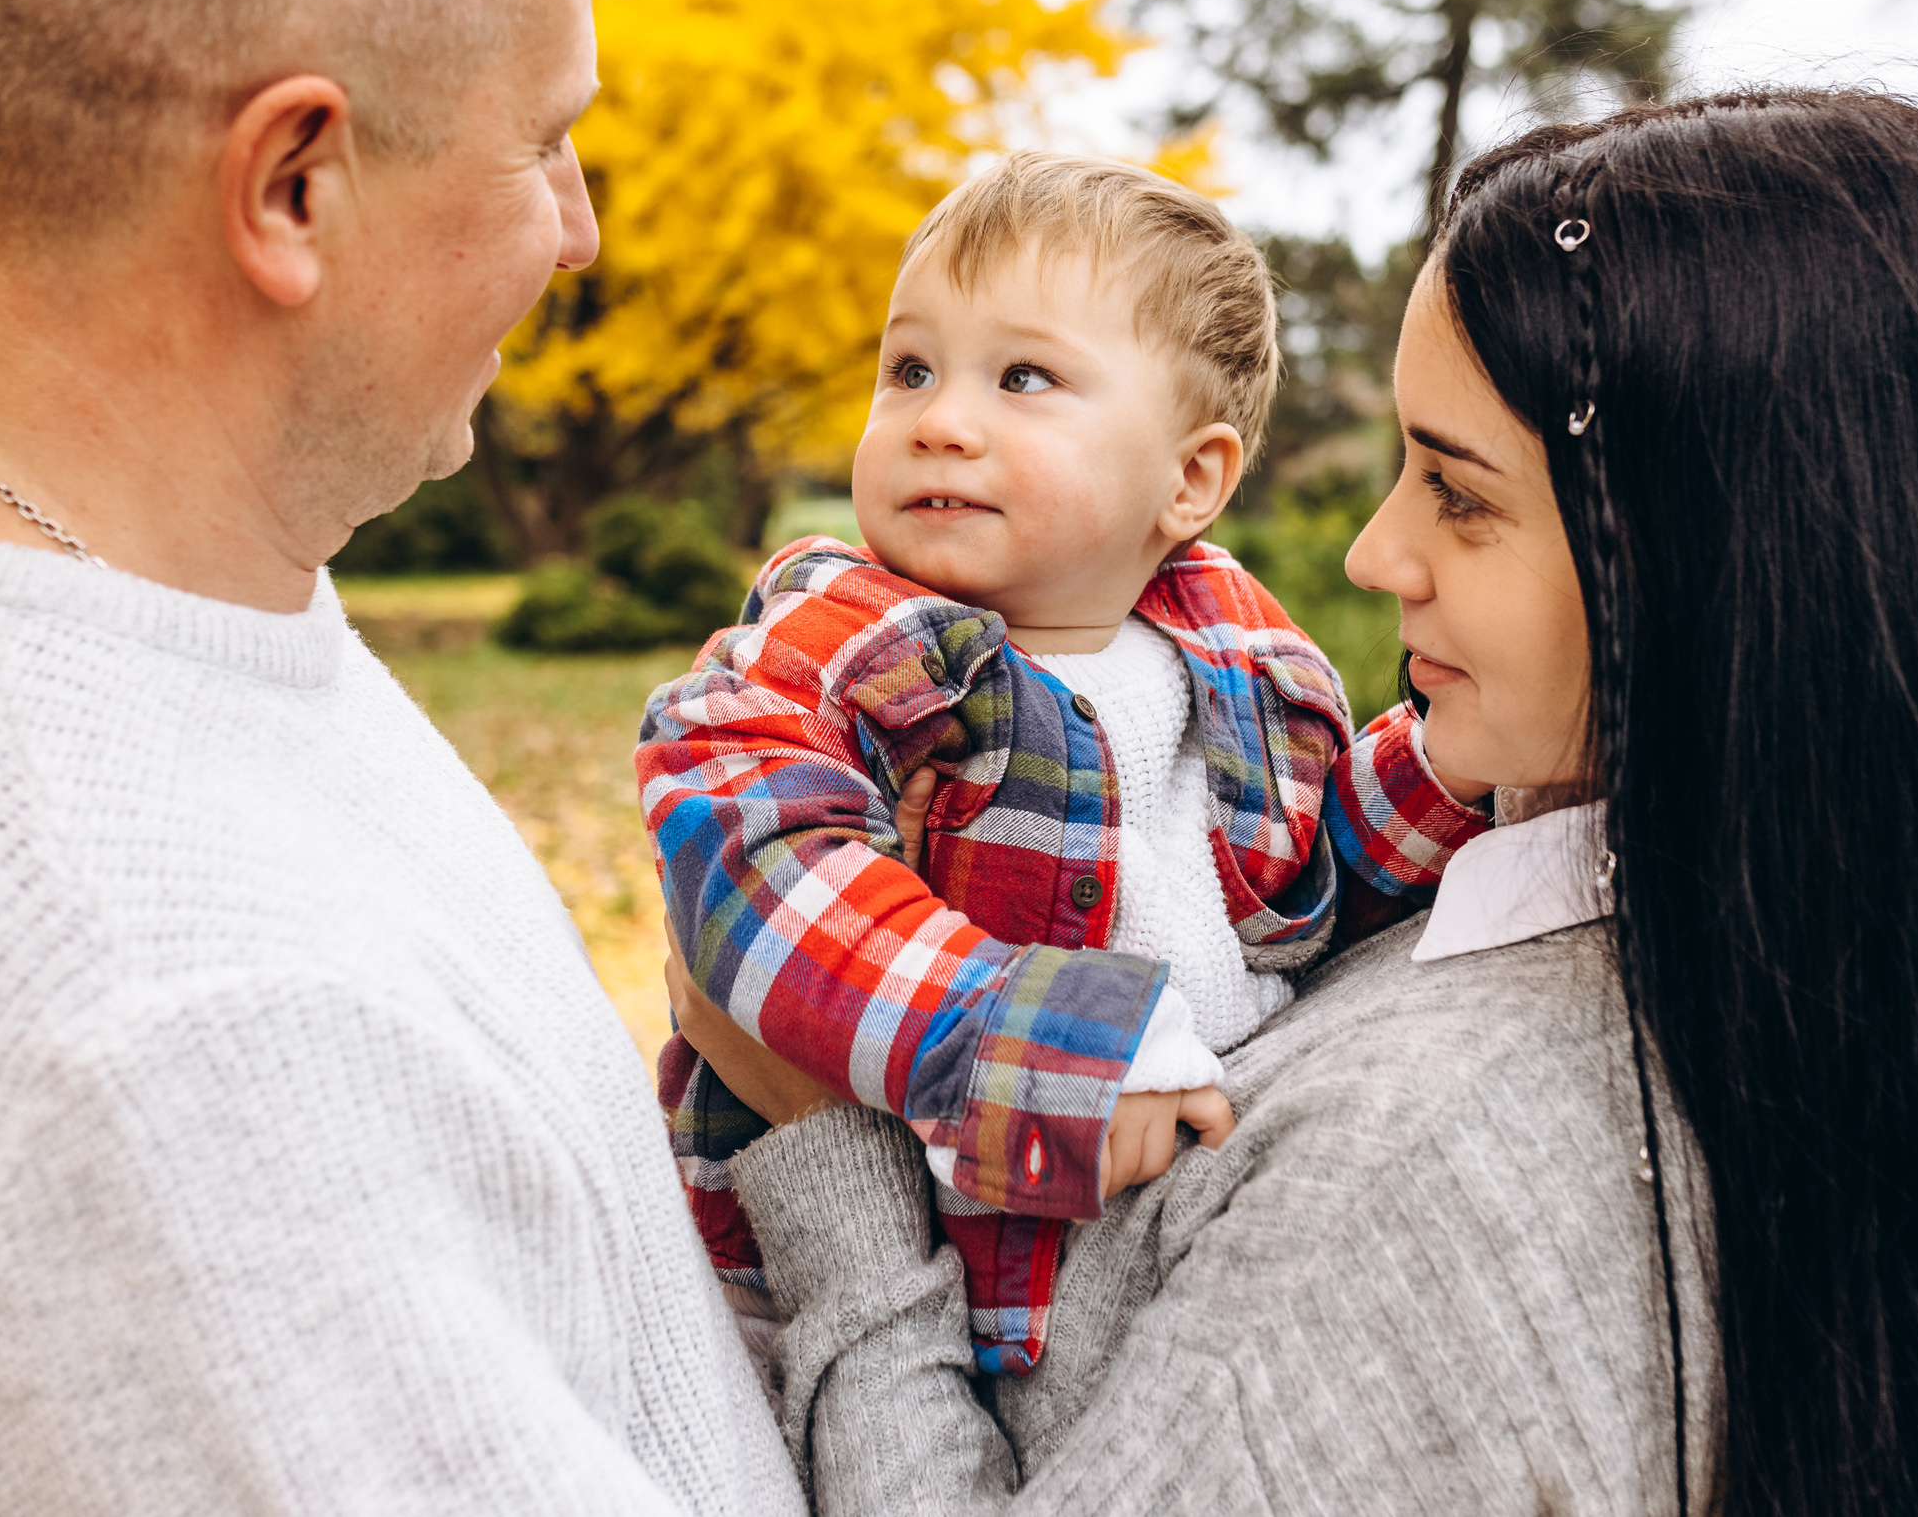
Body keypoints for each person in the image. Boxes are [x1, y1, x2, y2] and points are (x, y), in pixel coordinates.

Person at [670, 89, 1918, 1514]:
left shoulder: (1409, 1182)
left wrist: (821, 1155)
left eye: (1457, 491)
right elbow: (1313, 859)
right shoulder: (1842, 1005)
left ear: (1721, 566)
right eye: (914, 368)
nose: (1367, 553)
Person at [0, 0, 801, 1512]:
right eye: (546, 141)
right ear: (295, 185)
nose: (578, 228)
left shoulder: (166, 617)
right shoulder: (187, 1032)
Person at [637, 153, 1489, 1378]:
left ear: (1189, 479)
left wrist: (1446, 771)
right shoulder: (855, 634)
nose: (938, 416)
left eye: (1022, 376)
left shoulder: (1243, 656)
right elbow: (745, 843)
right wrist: (1019, 1042)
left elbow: (1300, 887)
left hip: (1139, 1280)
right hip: (845, 1288)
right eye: (910, 368)